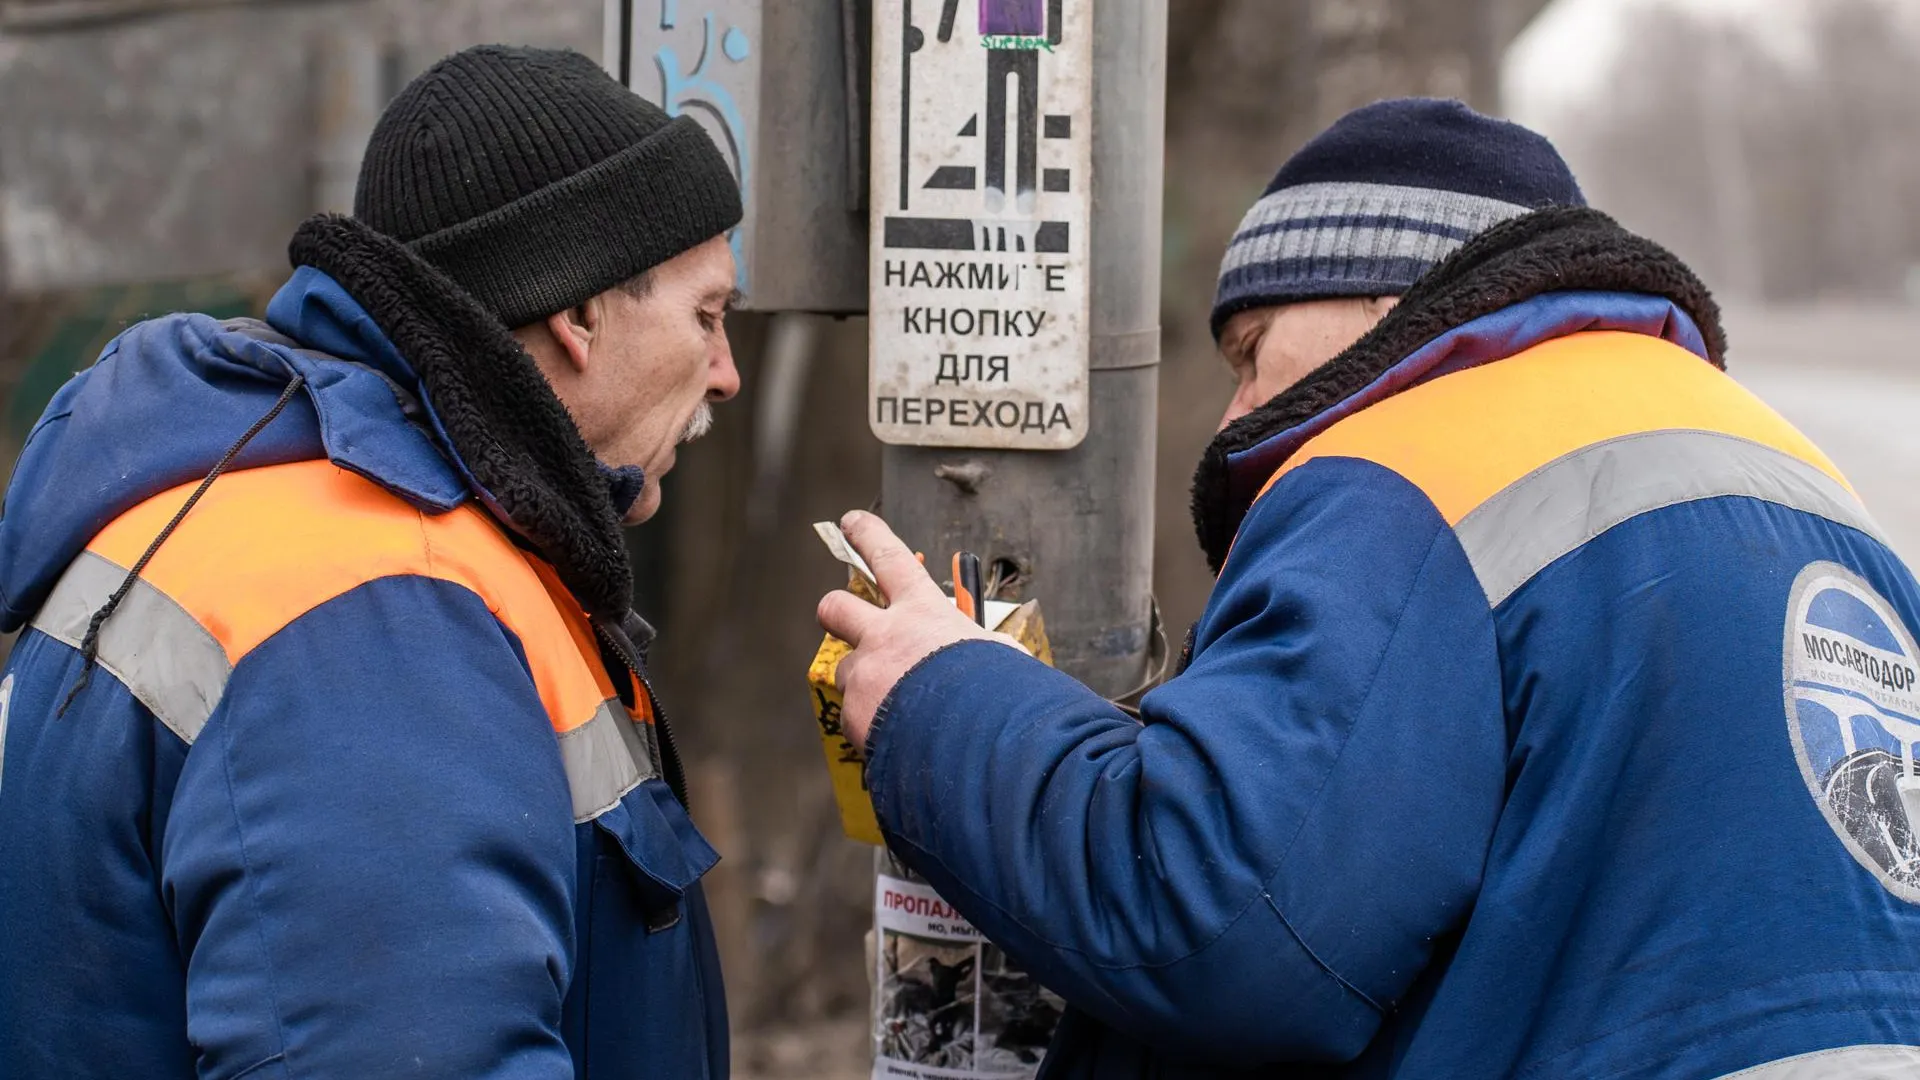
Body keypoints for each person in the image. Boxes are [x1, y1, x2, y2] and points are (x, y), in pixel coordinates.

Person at [820, 98, 1920, 1078]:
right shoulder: (1812, 491)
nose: (1232, 415)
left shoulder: (1420, 458)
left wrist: (941, 698)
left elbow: (1223, 923)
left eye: (1250, 352)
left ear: (1381, 297)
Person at [0, 45, 741, 1078]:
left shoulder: (258, 501)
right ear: (578, 314)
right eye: (707, 317)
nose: (728, 374)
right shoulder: (378, 613)